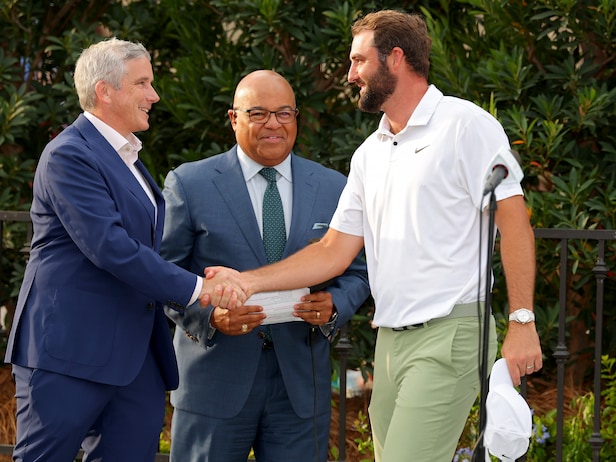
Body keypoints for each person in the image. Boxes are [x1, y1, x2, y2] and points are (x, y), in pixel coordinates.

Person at [208, 10, 543, 462]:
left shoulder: (466, 125)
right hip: (390, 340)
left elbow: (515, 222)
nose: (350, 75)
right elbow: (333, 250)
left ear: (396, 59)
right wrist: (247, 282)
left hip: (451, 332)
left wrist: (522, 320)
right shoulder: (370, 151)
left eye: (358, 61)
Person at [4, 37, 243, 462]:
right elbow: (111, 248)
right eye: (143, 83)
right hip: (67, 355)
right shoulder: (68, 156)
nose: (154, 95)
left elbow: (144, 249)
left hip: (135, 362)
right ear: (105, 90)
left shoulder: (129, 157)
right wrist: (198, 289)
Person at [160, 69, 370, 462]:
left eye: (284, 113)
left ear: (296, 118)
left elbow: (358, 271)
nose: (273, 124)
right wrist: (209, 318)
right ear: (233, 118)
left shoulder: (332, 187)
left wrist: (335, 305)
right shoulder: (190, 184)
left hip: (299, 385)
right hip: (214, 380)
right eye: (258, 113)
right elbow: (164, 276)